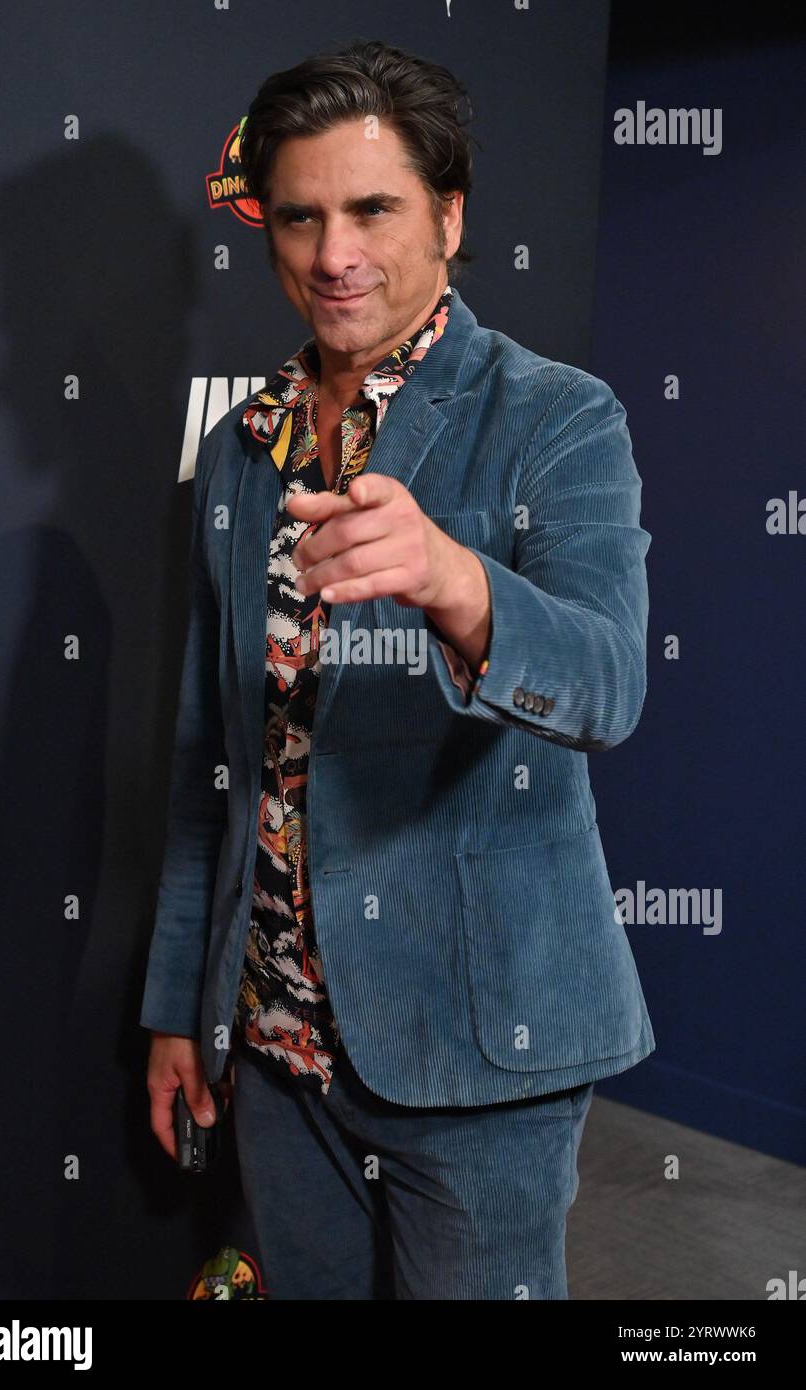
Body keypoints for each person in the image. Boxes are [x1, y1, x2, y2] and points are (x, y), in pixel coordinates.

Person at [141, 38, 655, 1300]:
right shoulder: (245, 451)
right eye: (302, 215)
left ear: (448, 215)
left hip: (481, 1050)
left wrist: (455, 581)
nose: (333, 254)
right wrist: (180, 1002)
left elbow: (605, 681)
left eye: (372, 208)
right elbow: (213, 752)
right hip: (273, 1043)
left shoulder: (556, 414)